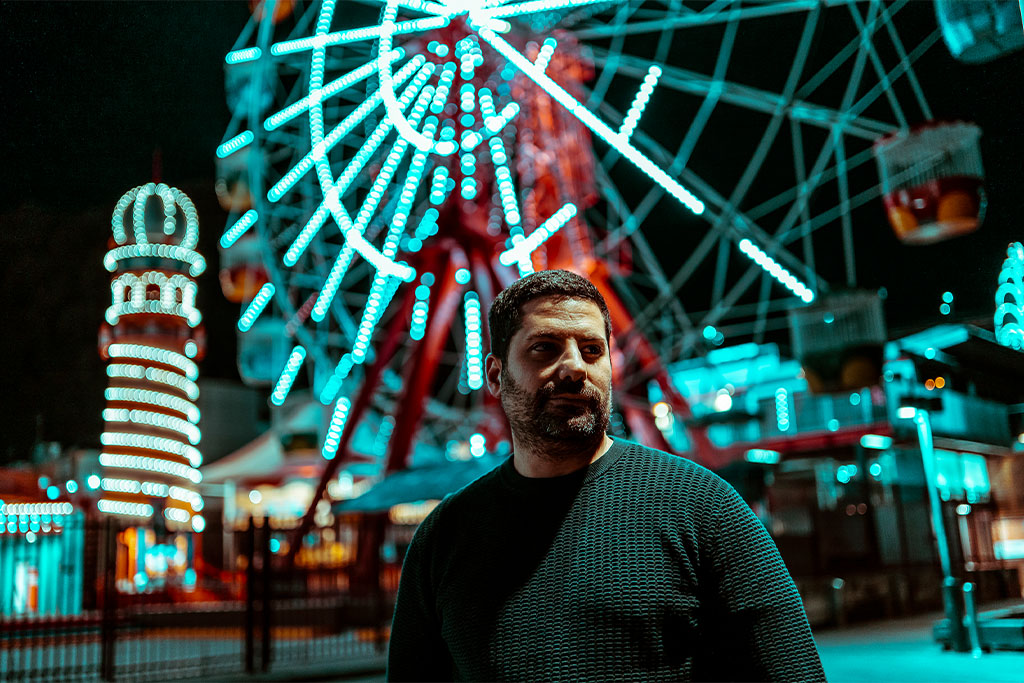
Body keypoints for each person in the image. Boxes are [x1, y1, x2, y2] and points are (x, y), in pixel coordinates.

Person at [387, 269, 824, 682]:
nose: (575, 367)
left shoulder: (703, 507)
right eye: (545, 348)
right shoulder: (444, 538)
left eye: (592, 350)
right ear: (496, 376)